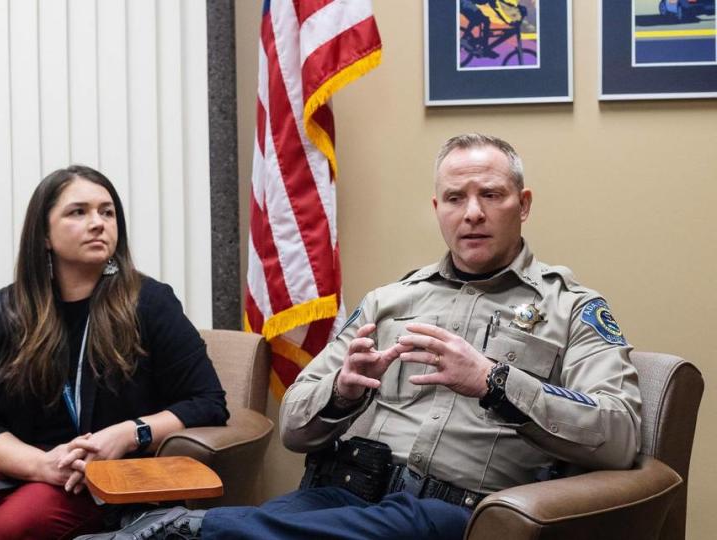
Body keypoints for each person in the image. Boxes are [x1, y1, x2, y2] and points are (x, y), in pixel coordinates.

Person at [82, 134, 641, 540]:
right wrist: (344, 395)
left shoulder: (571, 309)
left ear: (524, 205)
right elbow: (296, 427)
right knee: (312, 518)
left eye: (491, 195)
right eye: (454, 198)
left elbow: (619, 431)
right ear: (437, 210)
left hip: (457, 513)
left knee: (387, 523)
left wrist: (494, 381)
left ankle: (187, 530)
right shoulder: (390, 301)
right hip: (348, 492)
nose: (472, 213)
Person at [0, 165, 229, 539]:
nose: (98, 223)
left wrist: (130, 433)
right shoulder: (3, 310)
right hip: (16, 457)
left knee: (16, 526)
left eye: (107, 212)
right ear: (44, 234)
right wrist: (41, 465)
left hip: (102, 471)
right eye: (78, 212)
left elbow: (208, 402)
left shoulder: (150, 303)